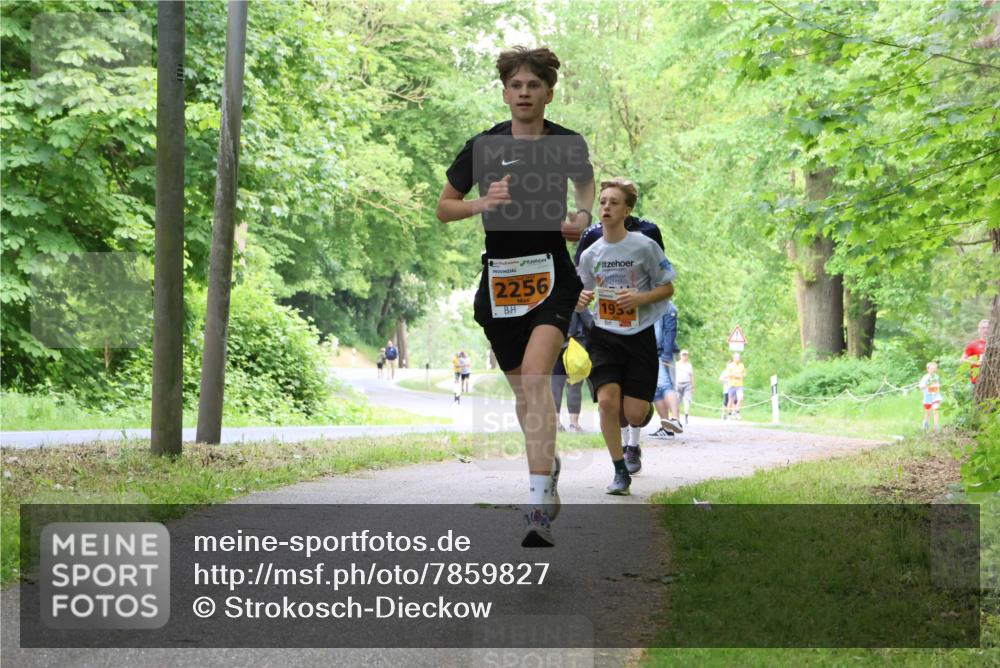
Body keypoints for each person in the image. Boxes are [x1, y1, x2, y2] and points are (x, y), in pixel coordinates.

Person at [436, 46, 595, 547]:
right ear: (505, 93)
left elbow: (586, 185)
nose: (524, 93)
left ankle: (537, 506)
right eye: (515, 86)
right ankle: (547, 466)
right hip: (501, 281)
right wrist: (485, 201)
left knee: (534, 378)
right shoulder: (483, 146)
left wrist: (582, 217)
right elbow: (445, 207)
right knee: (527, 400)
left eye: (533, 85)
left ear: (549, 92)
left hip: (552, 275)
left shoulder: (567, 142)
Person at [577, 177, 675, 496]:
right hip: (603, 335)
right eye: (603, 202)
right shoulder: (591, 252)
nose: (606, 207)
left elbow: (667, 287)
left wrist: (639, 298)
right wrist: (579, 298)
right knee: (607, 402)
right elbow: (580, 288)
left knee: (632, 413)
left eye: (614, 202)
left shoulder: (645, 245)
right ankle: (620, 471)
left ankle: (641, 414)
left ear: (628, 209)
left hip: (640, 333)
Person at [646, 303, 684, 455]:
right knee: (655, 390)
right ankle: (666, 428)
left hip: (662, 353)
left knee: (665, 384)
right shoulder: (648, 305)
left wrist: (667, 354)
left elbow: (670, 331)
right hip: (649, 352)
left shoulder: (668, 307)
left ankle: (675, 420)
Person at [551, 309, 592, 433]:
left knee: (555, 385)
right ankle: (574, 423)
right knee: (574, 385)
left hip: (556, 344)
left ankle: (556, 422)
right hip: (576, 347)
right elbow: (590, 323)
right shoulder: (578, 300)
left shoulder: (552, 300)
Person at [961, 319, 989, 385]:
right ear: (979, 330)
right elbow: (962, 360)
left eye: (988, 328)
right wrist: (976, 363)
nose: (986, 330)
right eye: (983, 328)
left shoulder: (996, 344)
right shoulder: (973, 344)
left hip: (994, 380)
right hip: (978, 381)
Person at [918, 361, 942, 432]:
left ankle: (936, 426)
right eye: (931, 369)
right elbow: (921, 387)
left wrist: (936, 387)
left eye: (934, 369)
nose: (933, 370)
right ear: (928, 369)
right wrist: (926, 386)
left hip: (935, 397)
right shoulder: (925, 377)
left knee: (936, 410)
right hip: (927, 397)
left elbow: (938, 386)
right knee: (928, 412)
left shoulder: (937, 377)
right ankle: (925, 422)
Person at [674, 350, 695, 425]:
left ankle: (686, 416)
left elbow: (691, 376)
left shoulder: (689, 365)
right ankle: (676, 417)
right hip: (677, 384)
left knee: (687, 400)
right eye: (683, 355)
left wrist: (693, 387)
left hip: (687, 385)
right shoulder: (676, 364)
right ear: (680, 355)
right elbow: (673, 374)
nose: (685, 356)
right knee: (677, 401)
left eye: (686, 355)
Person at [724, 352, 746, 419]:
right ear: (733, 358)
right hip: (732, 385)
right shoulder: (730, 365)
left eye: (739, 357)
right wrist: (734, 375)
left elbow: (744, 374)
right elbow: (727, 375)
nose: (738, 359)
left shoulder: (741, 365)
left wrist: (741, 375)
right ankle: (729, 413)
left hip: (739, 385)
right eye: (736, 357)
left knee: (741, 398)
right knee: (730, 400)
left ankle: (736, 412)